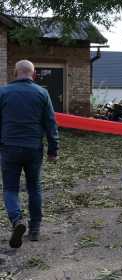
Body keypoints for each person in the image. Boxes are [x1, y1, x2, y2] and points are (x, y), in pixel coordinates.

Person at [0, 60, 59, 248]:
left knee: (10, 188)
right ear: (33, 74)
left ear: (15, 72)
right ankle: (35, 229)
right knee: (34, 187)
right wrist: (53, 149)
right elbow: (50, 123)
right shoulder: (42, 93)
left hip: (9, 147)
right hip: (33, 148)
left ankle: (17, 220)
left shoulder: (3, 92)